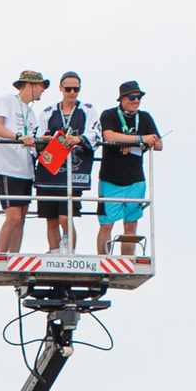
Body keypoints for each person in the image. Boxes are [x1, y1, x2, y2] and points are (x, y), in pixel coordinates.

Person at [0, 70, 50, 255]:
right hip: (7, 167)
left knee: (21, 217)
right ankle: (0, 256)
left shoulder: (31, 113)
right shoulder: (6, 100)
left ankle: (13, 256)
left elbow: (30, 139)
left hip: (25, 168)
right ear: (29, 85)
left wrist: (41, 140)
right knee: (13, 216)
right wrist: (18, 137)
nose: (43, 90)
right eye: (41, 86)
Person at [95, 82, 161, 255]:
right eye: (132, 97)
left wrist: (132, 143)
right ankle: (103, 261)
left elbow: (159, 143)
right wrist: (138, 139)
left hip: (135, 179)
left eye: (139, 97)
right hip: (110, 179)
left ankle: (126, 261)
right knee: (106, 224)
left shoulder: (145, 117)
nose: (136, 101)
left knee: (131, 224)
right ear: (122, 98)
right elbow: (108, 136)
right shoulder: (109, 114)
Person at [35, 73, 97, 252]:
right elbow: (37, 137)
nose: (72, 92)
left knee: (65, 216)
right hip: (50, 169)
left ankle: (69, 249)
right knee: (51, 218)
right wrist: (43, 140)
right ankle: (54, 251)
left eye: (76, 89)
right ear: (60, 88)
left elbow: (95, 132)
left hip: (74, 171)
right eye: (68, 88)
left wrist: (79, 138)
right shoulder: (48, 112)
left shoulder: (87, 109)